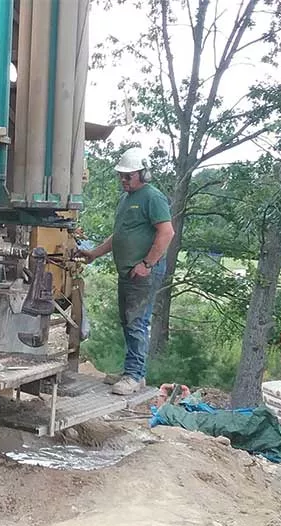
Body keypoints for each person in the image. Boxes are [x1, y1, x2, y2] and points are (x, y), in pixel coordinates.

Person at [77, 147, 175, 395]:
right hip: (129, 272)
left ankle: (133, 375)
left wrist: (147, 264)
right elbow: (119, 235)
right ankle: (135, 372)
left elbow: (167, 232)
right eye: (121, 175)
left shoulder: (152, 197)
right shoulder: (126, 199)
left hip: (143, 272)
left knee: (136, 322)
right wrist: (94, 254)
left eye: (128, 176)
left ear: (143, 174)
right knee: (129, 321)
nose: (123, 180)